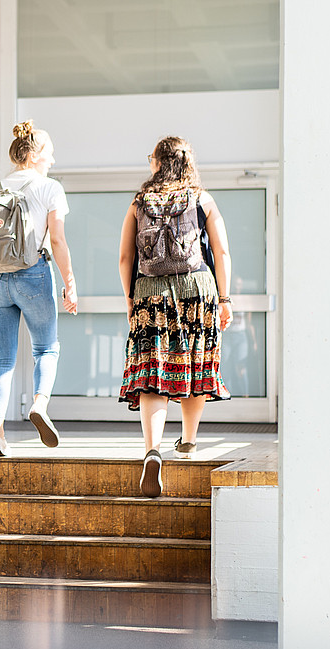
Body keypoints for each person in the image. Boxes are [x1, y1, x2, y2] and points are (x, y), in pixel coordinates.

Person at [118, 136, 233, 497]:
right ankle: (188, 440)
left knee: (154, 371)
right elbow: (221, 251)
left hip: (150, 293)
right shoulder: (202, 199)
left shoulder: (139, 202)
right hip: (196, 290)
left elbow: (125, 259)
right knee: (192, 362)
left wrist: (130, 299)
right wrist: (225, 298)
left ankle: (152, 449)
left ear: (156, 163)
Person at [0, 120, 78, 457]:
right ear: (35, 155)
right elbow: (57, 239)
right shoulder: (49, 188)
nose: (52, 160)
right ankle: (39, 404)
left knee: (3, 361)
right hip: (33, 274)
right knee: (46, 349)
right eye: (49, 154)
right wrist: (70, 284)